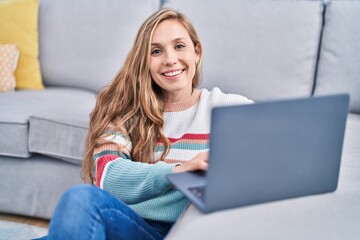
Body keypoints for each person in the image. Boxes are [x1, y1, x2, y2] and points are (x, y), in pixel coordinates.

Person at [39, 8, 253, 240]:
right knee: (80, 201)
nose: (170, 59)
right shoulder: (125, 110)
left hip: (193, 233)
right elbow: (108, 176)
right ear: (145, 61)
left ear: (197, 52)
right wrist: (177, 171)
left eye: (179, 46)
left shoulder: (230, 108)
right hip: (133, 227)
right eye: (156, 51)